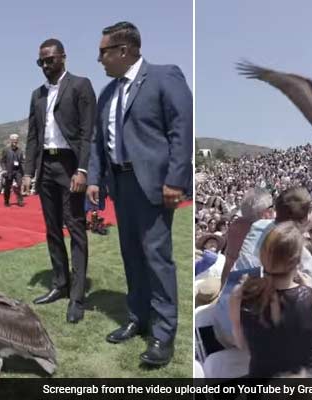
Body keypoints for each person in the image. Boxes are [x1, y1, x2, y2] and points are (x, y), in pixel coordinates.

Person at [86, 21, 192, 366]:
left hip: (154, 184)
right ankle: (138, 317)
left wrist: (176, 179)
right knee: (131, 254)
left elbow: (181, 129)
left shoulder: (164, 77)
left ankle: (163, 335)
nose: (99, 58)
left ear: (123, 51)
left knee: (156, 257)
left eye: (104, 51)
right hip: (120, 184)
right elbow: (98, 143)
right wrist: (94, 179)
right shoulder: (107, 93)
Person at [21, 38, 96, 324]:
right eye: (41, 61)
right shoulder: (37, 95)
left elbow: (88, 132)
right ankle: (60, 283)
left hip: (69, 165)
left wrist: (83, 170)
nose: (45, 65)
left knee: (75, 228)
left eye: (50, 59)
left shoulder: (80, 85)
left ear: (63, 57)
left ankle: (77, 297)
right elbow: (32, 137)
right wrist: (28, 173)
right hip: (46, 165)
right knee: (52, 228)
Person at [229, 222, 312, 378]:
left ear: (263, 257)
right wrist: (308, 289)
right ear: (297, 262)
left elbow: (241, 344)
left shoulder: (239, 295)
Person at [1, 134, 25, 207]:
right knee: (7, 187)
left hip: (18, 171)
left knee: (19, 185)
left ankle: (20, 200)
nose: (15, 141)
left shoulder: (20, 150)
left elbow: (22, 161)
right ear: (11, 140)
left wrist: (24, 172)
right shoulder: (6, 150)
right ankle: (6, 201)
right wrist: (4, 169)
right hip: (9, 171)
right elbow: (2, 161)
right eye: (13, 139)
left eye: (16, 139)